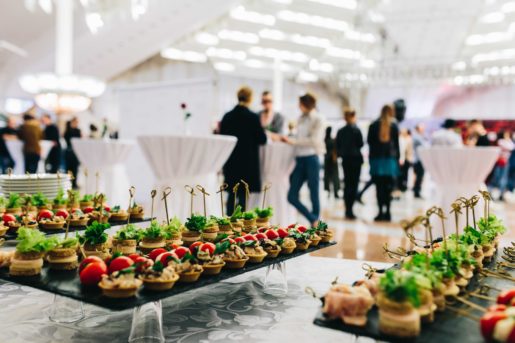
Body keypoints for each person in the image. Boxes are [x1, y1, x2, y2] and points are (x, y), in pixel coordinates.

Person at [219, 86, 268, 215]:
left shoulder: (227, 116)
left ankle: (228, 223)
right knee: (243, 195)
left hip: (231, 161)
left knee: (231, 194)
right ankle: (240, 226)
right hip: (247, 162)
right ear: (250, 99)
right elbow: (262, 139)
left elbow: (222, 138)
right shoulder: (252, 117)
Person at [283, 93, 325, 226]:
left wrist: (293, 141)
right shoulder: (300, 118)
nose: (298, 106)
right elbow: (299, 137)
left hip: (312, 158)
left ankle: (315, 221)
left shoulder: (318, 119)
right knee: (291, 196)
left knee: (314, 192)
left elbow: (314, 140)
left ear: (306, 104)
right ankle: (312, 218)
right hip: (300, 159)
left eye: (300, 104)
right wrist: (291, 139)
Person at [367, 104, 400, 222]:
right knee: (388, 187)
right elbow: (396, 145)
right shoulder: (394, 125)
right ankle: (388, 212)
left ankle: (380, 212)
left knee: (379, 188)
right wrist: (397, 160)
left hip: (377, 161)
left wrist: (370, 161)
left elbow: (369, 143)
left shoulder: (373, 125)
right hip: (390, 161)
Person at [336, 108, 363, 219]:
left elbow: (337, 146)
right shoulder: (356, 130)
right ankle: (350, 209)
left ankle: (347, 209)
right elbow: (360, 144)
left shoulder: (341, 131)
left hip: (346, 160)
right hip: (356, 159)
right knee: (354, 184)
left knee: (347, 184)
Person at [491, 130, 514, 201]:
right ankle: (494, 192)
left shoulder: (507, 141)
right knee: (497, 177)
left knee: (503, 178)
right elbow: (509, 147)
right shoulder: (501, 141)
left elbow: (512, 147)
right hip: (499, 162)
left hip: (506, 163)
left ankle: (501, 193)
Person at [64, 117, 82, 189]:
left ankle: (74, 183)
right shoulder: (68, 130)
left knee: (75, 169)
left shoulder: (78, 130)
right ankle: (68, 183)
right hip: (69, 152)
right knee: (68, 169)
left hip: (76, 152)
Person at [412, 123, 428, 198]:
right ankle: (417, 192)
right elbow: (425, 146)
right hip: (418, 159)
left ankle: (417, 191)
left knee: (419, 176)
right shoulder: (417, 137)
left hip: (419, 159)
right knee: (419, 176)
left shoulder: (419, 137)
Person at [323, 127, 340, 199]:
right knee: (334, 176)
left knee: (328, 177)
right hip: (333, 160)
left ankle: (329, 191)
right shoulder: (333, 141)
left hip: (327, 160)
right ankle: (335, 192)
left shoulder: (325, 140)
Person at [398, 128, 413, 192]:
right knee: (404, 173)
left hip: (406, 159)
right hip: (406, 159)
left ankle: (403, 186)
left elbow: (404, 150)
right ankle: (403, 186)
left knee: (404, 173)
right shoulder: (405, 139)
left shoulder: (407, 139)